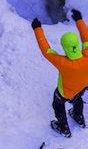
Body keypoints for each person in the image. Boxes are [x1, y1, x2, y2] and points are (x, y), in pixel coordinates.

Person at [32, 9, 88, 137]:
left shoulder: (62, 62)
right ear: (77, 45)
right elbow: (86, 37)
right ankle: (78, 116)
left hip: (66, 92)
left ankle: (64, 128)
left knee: (57, 104)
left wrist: (37, 29)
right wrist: (79, 20)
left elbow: (46, 50)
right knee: (78, 96)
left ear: (64, 47)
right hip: (83, 85)